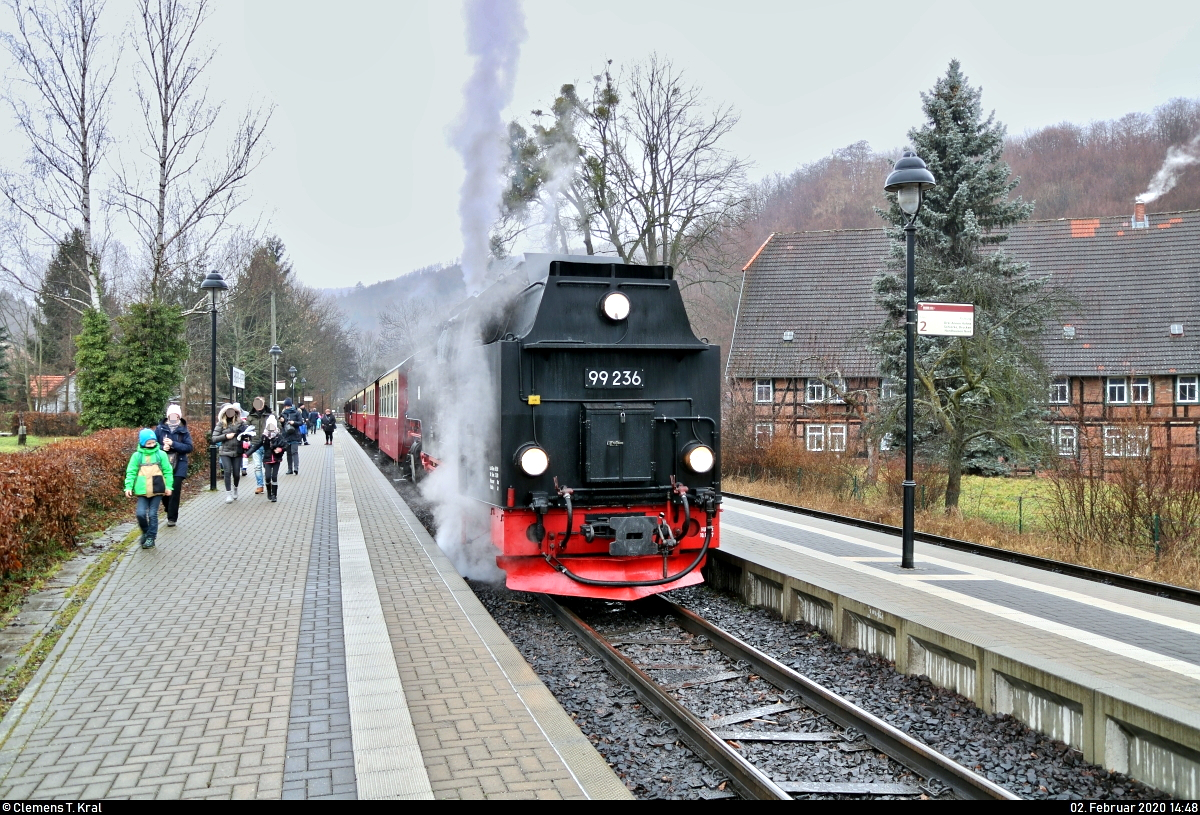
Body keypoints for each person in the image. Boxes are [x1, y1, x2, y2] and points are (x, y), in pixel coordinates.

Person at [124, 428, 174, 549]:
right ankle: (146, 532)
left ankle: (151, 537)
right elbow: (131, 472)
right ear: (142, 443)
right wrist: (128, 487)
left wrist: (168, 486)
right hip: (142, 490)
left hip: (157, 489)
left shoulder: (161, 454)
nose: (151, 445)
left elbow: (168, 471)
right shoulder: (137, 456)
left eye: (153, 442)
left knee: (152, 514)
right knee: (140, 514)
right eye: (148, 443)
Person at [155, 404, 193, 527]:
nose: (173, 417)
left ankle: (172, 518)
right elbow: (152, 445)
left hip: (179, 462)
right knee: (163, 489)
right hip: (163, 463)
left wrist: (173, 444)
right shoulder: (160, 429)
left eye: (175, 415)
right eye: (171, 415)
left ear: (178, 416)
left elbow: (189, 447)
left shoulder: (184, 430)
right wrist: (162, 447)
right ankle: (168, 507)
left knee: (175, 489)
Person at [212, 403, 249, 502]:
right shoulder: (221, 424)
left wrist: (246, 436)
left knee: (236, 473)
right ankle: (228, 494)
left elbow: (248, 433)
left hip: (237, 451)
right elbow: (214, 438)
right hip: (225, 452)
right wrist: (225, 436)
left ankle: (235, 488)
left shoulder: (240, 422)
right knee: (227, 471)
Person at [248, 415, 286, 502]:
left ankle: (274, 495)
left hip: (276, 459)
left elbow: (285, 445)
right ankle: (269, 491)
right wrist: (247, 453)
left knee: (274, 476)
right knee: (268, 477)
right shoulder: (264, 437)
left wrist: (280, 449)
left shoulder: (278, 436)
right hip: (267, 459)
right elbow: (256, 446)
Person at [246, 396, 271, 495]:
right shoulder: (250, 416)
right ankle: (260, 486)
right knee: (257, 466)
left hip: (267, 444)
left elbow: (277, 427)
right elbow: (246, 428)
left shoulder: (270, 415)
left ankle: (268, 483)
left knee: (267, 466)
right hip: (255, 444)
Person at [280, 397, 303, 475]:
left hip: (295, 435)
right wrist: (282, 422)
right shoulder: (283, 414)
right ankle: (290, 469)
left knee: (294, 452)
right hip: (286, 435)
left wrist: (294, 422)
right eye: (286, 406)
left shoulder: (297, 413)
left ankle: (296, 468)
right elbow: (281, 425)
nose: (287, 407)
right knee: (288, 453)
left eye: (288, 406)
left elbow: (301, 422)